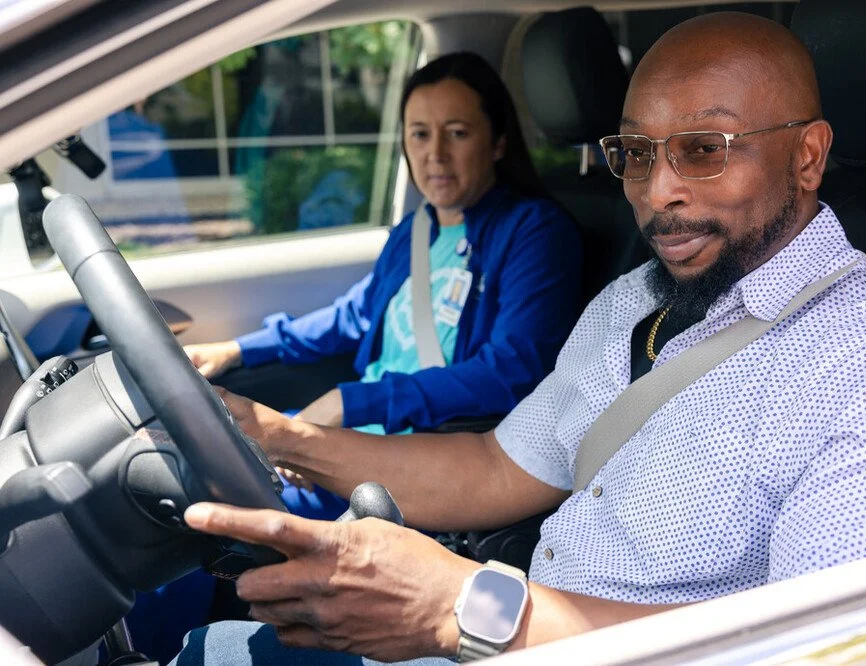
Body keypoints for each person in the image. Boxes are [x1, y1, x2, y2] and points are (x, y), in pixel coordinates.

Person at [170, 12, 866, 666]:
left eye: (704, 150)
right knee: (196, 650)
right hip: (501, 631)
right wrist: (278, 437)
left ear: (807, 156)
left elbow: (816, 650)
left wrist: (464, 607)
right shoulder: (632, 300)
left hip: (496, 628)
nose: (658, 192)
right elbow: (496, 467)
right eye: (636, 153)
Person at [129, 52, 583, 664]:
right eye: (420, 134)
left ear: (499, 141)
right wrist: (237, 347)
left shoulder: (533, 231)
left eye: (458, 133)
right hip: (346, 442)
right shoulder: (414, 232)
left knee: (197, 525)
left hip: (418, 461)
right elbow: (350, 318)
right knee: (173, 500)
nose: (435, 155)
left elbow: (511, 370)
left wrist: (352, 401)